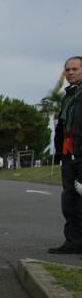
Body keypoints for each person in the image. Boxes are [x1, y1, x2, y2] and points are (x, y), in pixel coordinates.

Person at [49, 56, 82, 253]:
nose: (70, 73)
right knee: (69, 200)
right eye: (68, 70)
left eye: (75, 69)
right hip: (68, 155)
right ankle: (73, 242)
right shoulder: (68, 96)